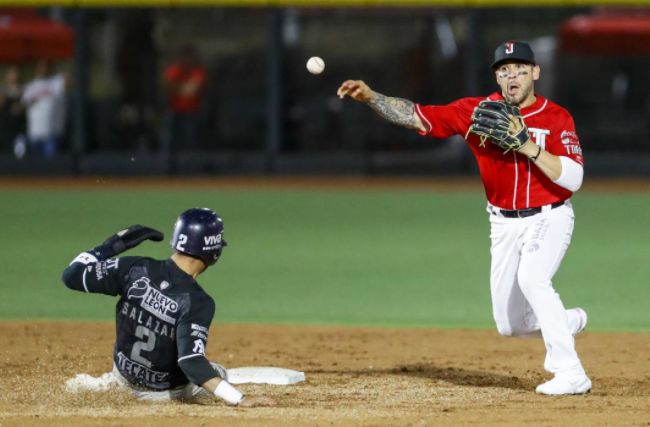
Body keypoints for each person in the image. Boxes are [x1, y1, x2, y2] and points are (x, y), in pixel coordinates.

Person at [337, 41, 591, 395]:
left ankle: (570, 371)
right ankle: (566, 321)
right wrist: (372, 98)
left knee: (533, 278)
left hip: (549, 215)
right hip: (502, 223)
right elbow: (417, 116)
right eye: (504, 70)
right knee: (510, 325)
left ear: (536, 72)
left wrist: (528, 146)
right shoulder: (476, 111)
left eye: (519, 68)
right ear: (497, 77)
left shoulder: (557, 117)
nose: (511, 75)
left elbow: (574, 179)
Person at [61, 208, 275, 407]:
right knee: (218, 372)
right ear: (213, 251)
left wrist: (116, 244)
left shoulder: (135, 268)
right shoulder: (197, 301)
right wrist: (240, 399)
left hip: (123, 376)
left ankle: (111, 384)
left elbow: (71, 276)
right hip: (163, 395)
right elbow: (191, 363)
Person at [161, 44, 207, 158]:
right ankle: (168, 169)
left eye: (191, 57)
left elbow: (192, 90)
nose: (188, 60)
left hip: (191, 113)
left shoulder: (198, 71)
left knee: (190, 142)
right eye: (186, 57)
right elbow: (167, 86)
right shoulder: (174, 70)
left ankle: (189, 168)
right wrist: (183, 88)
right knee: (169, 142)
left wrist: (178, 88)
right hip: (174, 111)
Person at [21, 59, 67, 158]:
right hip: (34, 134)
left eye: (46, 66)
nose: (43, 69)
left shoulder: (56, 82)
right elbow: (22, 105)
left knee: (52, 167)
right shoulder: (31, 86)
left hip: (52, 134)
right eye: (41, 67)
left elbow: (68, 80)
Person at [0, 66, 27, 157]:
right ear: (7, 77)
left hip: (19, 131)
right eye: (11, 74)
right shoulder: (2, 91)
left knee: (19, 155)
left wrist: (22, 106)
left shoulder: (25, 90)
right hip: (4, 130)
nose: (14, 76)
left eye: (16, 74)